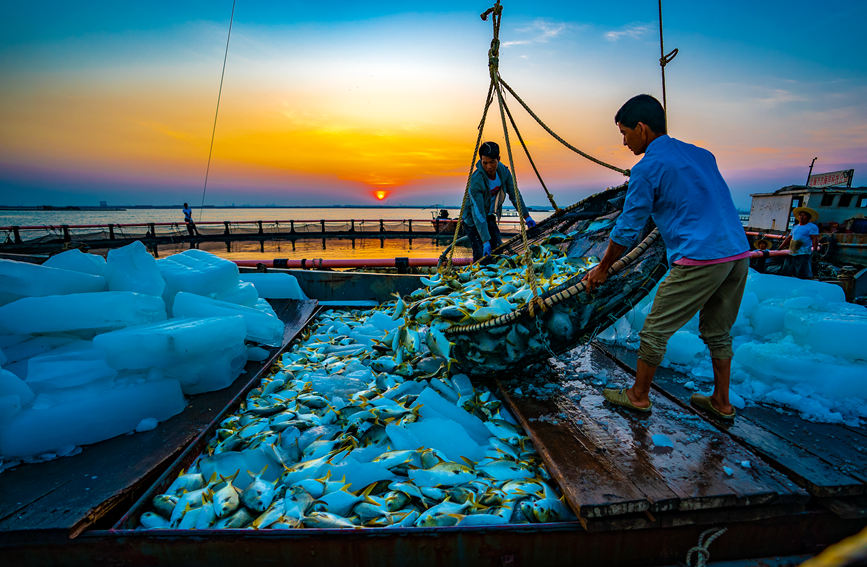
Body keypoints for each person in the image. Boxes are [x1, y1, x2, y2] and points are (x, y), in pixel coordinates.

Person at [582, 94, 750, 420]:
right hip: (737, 254)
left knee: (655, 330)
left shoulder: (647, 168)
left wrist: (603, 268)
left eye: (625, 132)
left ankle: (638, 395)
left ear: (642, 129)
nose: (624, 140)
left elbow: (628, 227)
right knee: (718, 331)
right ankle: (721, 402)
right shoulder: (703, 155)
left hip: (699, 258)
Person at [461, 141, 536, 261]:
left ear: (498, 159)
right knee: (481, 255)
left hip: (489, 215)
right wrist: (485, 241)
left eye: (492, 162)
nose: (489, 167)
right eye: (485, 163)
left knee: (498, 249)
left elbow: (514, 195)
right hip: (472, 220)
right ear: (481, 161)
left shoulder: (504, 172)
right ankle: (480, 276)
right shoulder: (476, 181)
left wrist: (526, 217)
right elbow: (478, 213)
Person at [779, 207, 819, 279]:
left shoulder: (812, 227)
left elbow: (814, 239)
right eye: (800, 215)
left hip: (803, 253)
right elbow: (789, 238)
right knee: (787, 271)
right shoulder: (795, 227)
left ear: (808, 217)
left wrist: (815, 250)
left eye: (804, 215)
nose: (802, 217)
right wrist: (780, 247)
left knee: (802, 273)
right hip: (792, 252)